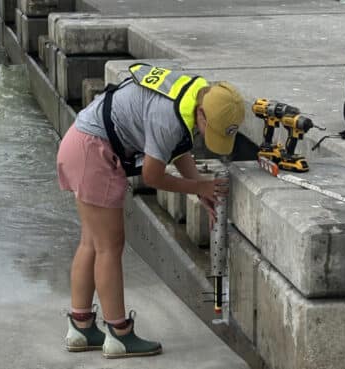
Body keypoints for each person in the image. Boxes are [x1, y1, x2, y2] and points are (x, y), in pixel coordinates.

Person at [56, 63, 246, 359]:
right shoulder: (167, 118)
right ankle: (119, 334)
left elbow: (178, 149)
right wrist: (199, 188)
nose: (207, 138)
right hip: (94, 152)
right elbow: (152, 176)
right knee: (109, 247)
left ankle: (80, 328)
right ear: (202, 114)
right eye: (211, 131)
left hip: (81, 143)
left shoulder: (191, 94)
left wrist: (198, 185)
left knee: (91, 242)